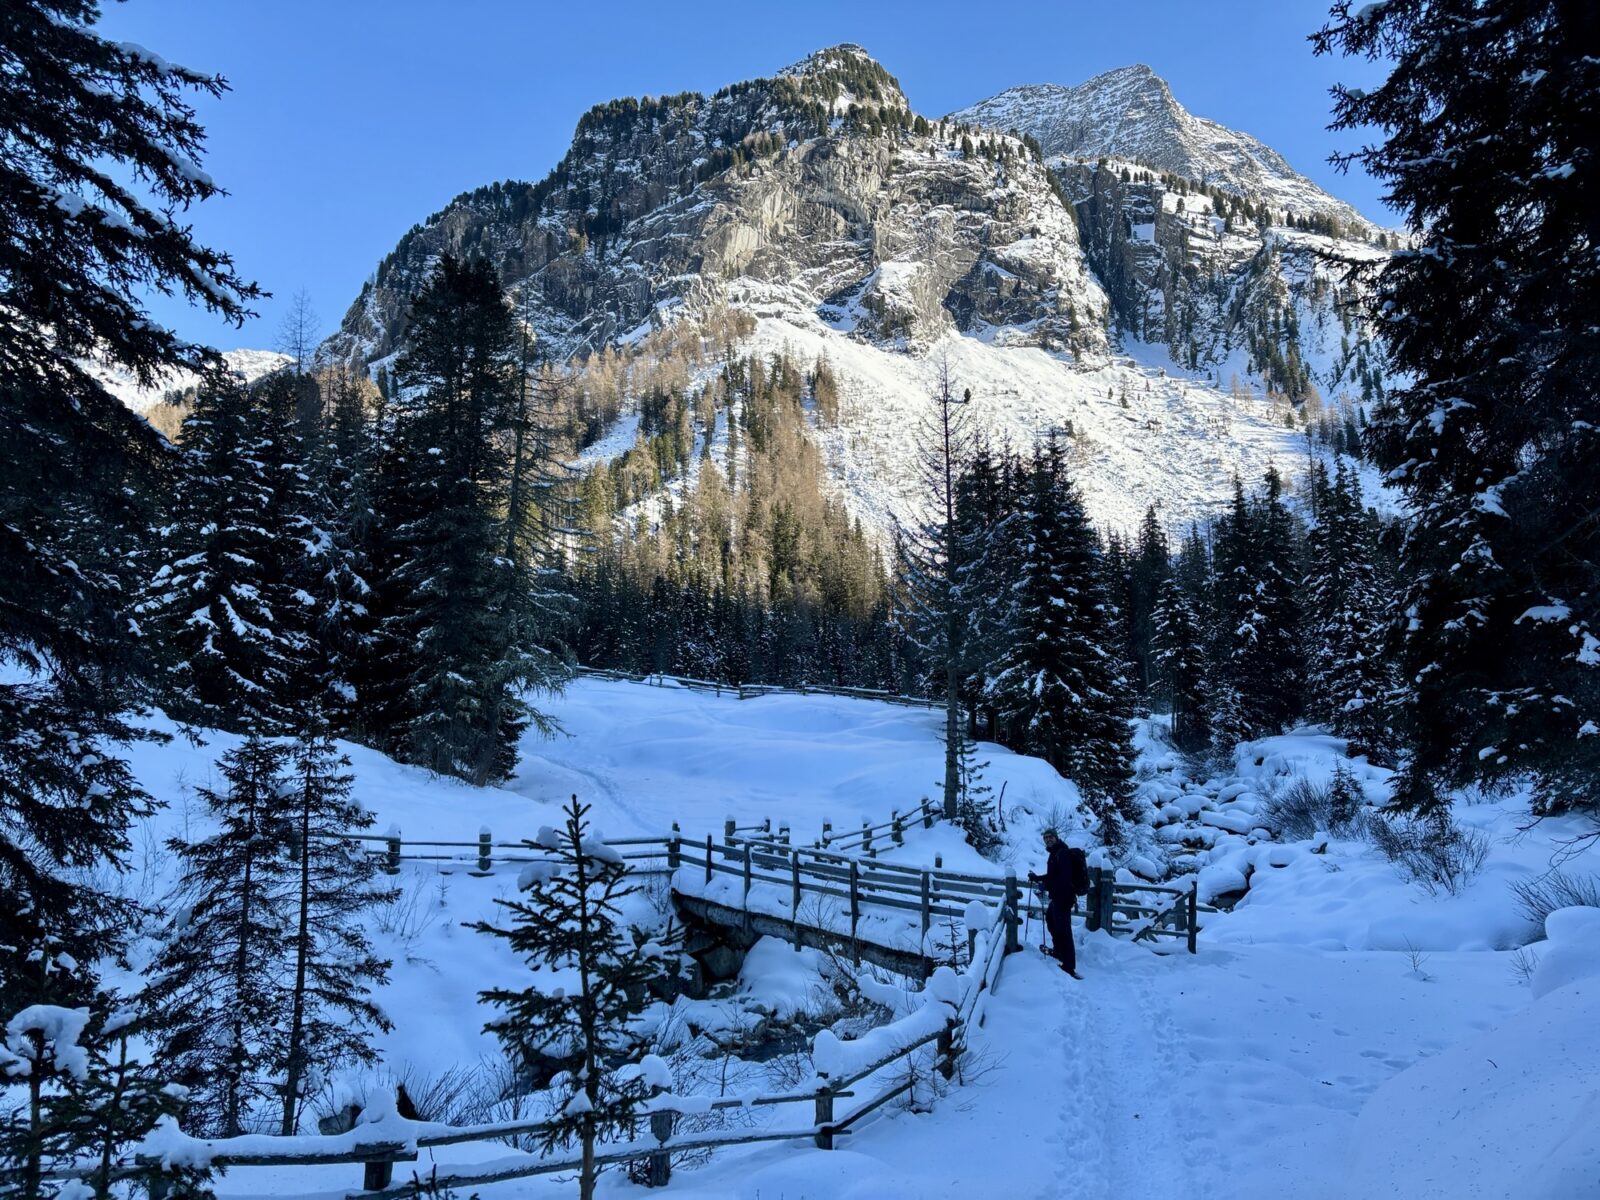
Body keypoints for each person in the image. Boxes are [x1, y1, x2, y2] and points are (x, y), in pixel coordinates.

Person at [1028, 829, 1082, 979]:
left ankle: (1069, 966)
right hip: (1057, 896)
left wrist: (1046, 884)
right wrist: (1038, 878)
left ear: (1057, 838)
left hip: (1063, 897)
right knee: (1051, 921)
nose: (1048, 839)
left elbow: (1064, 878)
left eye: (1050, 837)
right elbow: (1053, 876)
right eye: (1045, 838)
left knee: (1064, 930)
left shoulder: (1062, 853)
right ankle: (1058, 951)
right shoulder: (1054, 853)